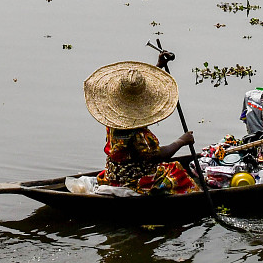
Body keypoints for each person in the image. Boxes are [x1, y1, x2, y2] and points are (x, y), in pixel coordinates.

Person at [84, 61, 196, 193]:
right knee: (177, 171)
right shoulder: (138, 134)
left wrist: (158, 66)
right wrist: (182, 141)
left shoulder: (113, 122)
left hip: (114, 175)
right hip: (135, 180)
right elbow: (158, 156)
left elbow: (136, 87)